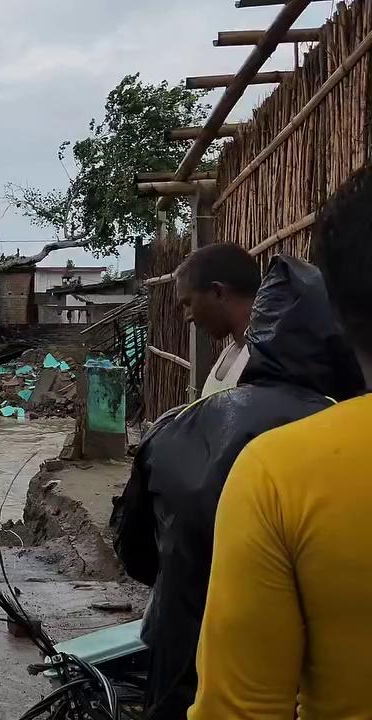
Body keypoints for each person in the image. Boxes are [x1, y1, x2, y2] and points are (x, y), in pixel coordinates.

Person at [110, 254, 364, 719]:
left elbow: (135, 548)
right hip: (291, 669)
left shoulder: (173, 427)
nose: (185, 314)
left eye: (189, 303)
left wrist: (187, 583)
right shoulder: (341, 441)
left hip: (180, 652)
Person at [190, 170, 372, 719]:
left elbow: (240, 710)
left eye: (186, 302)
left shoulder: (280, 472)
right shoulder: (230, 365)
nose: (185, 315)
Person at [173, 242, 261, 397]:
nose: (188, 317)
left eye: (188, 303)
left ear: (218, 292)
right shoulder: (231, 351)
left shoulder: (266, 362)